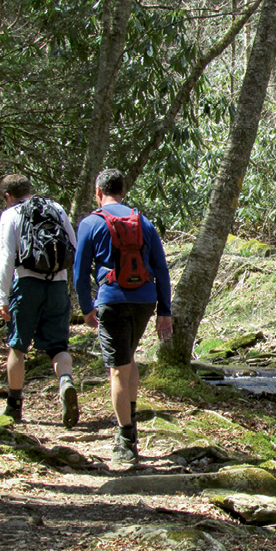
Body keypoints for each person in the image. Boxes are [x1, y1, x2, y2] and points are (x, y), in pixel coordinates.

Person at [73, 168, 172, 465]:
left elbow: (80, 272)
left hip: (112, 299)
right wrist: (164, 311)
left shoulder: (90, 223)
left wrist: (86, 307)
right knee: (127, 359)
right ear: (123, 192)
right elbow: (162, 269)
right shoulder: (144, 222)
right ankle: (131, 425)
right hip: (144, 300)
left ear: (98, 191)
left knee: (117, 368)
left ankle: (125, 438)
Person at [0, 174, 79, 428]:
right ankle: (65, 381)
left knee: (18, 347)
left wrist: (2, 297)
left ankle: (14, 406)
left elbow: (6, 256)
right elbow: (73, 246)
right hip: (56, 284)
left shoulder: (11, 214)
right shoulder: (55, 208)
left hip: (26, 284)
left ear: (8, 196)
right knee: (59, 346)